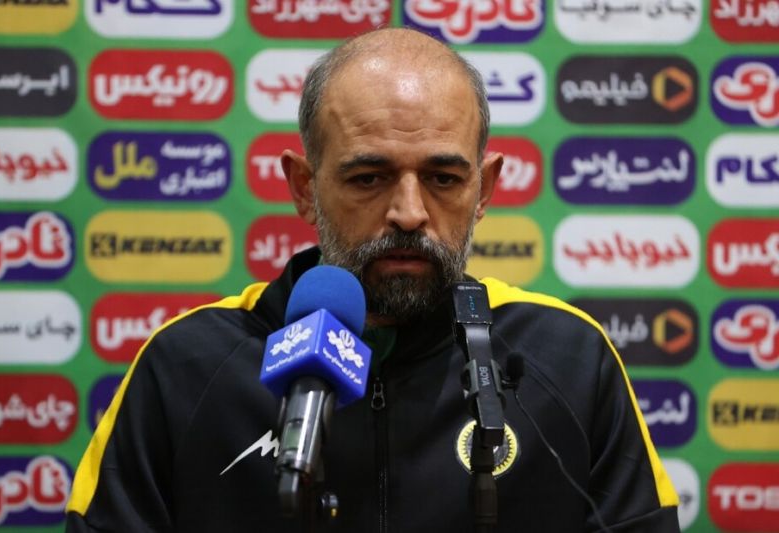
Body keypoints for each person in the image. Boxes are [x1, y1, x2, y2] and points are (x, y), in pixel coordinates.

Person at [66, 28, 681, 532]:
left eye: (443, 179)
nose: (409, 213)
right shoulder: (184, 367)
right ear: (304, 187)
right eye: (369, 177)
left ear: (485, 190)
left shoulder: (569, 359)